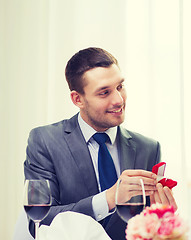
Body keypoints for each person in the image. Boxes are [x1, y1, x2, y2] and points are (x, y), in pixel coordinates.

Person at [24, 47, 177, 240]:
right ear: (77, 99)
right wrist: (109, 199)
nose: (119, 100)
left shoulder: (149, 148)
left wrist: (162, 220)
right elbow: (40, 221)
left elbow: (144, 227)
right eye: (104, 93)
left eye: (120, 87)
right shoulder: (44, 141)